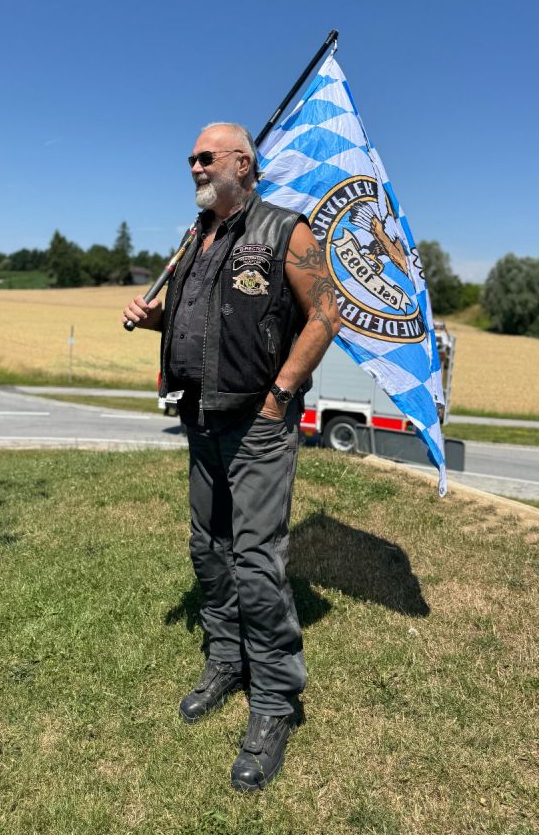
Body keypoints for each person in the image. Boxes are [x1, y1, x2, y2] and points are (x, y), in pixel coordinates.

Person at [122, 122, 340, 792]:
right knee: (208, 549)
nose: (194, 166)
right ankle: (226, 659)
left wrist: (282, 393)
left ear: (243, 163)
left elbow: (326, 314)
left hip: (257, 424)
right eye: (190, 157)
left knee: (255, 560)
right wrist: (155, 319)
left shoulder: (284, 231)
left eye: (206, 156)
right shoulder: (197, 237)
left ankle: (273, 700)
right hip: (200, 416)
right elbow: (201, 318)